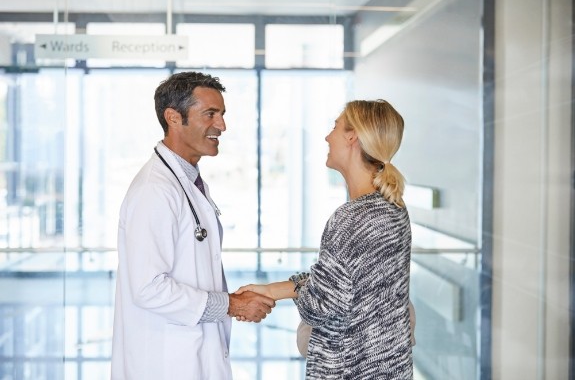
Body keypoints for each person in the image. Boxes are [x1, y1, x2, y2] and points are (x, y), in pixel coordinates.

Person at [111, 71, 275, 380]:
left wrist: (233, 303)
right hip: (165, 362)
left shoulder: (187, 181)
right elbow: (148, 289)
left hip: (190, 355)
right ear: (173, 117)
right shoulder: (154, 190)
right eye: (210, 114)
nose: (222, 125)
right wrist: (231, 305)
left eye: (222, 114)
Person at [236, 99, 413, 379]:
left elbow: (322, 305)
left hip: (350, 370)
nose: (327, 136)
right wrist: (271, 290)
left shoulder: (352, 217)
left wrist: (272, 295)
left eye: (335, 127)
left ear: (353, 137)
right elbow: (342, 284)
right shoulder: (391, 208)